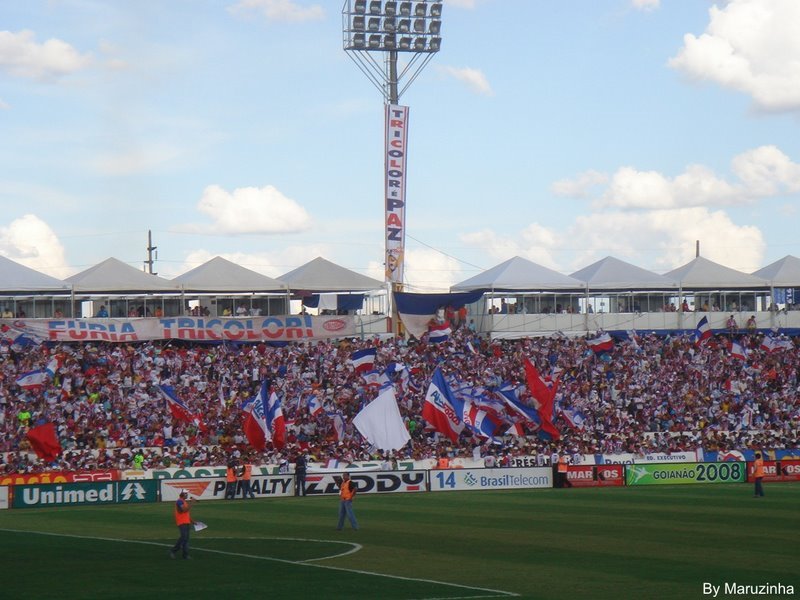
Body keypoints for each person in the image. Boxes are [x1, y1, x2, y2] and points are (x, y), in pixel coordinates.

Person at [170, 490, 195, 559]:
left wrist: (192, 521)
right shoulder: (179, 501)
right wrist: (192, 503)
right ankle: (173, 551)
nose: (187, 495)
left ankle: (185, 555)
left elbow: (186, 514)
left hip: (186, 522)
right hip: (182, 522)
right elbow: (184, 510)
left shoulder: (184, 502)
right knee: (184, 537)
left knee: (186, 539)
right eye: (186, 494)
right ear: (183, 494)